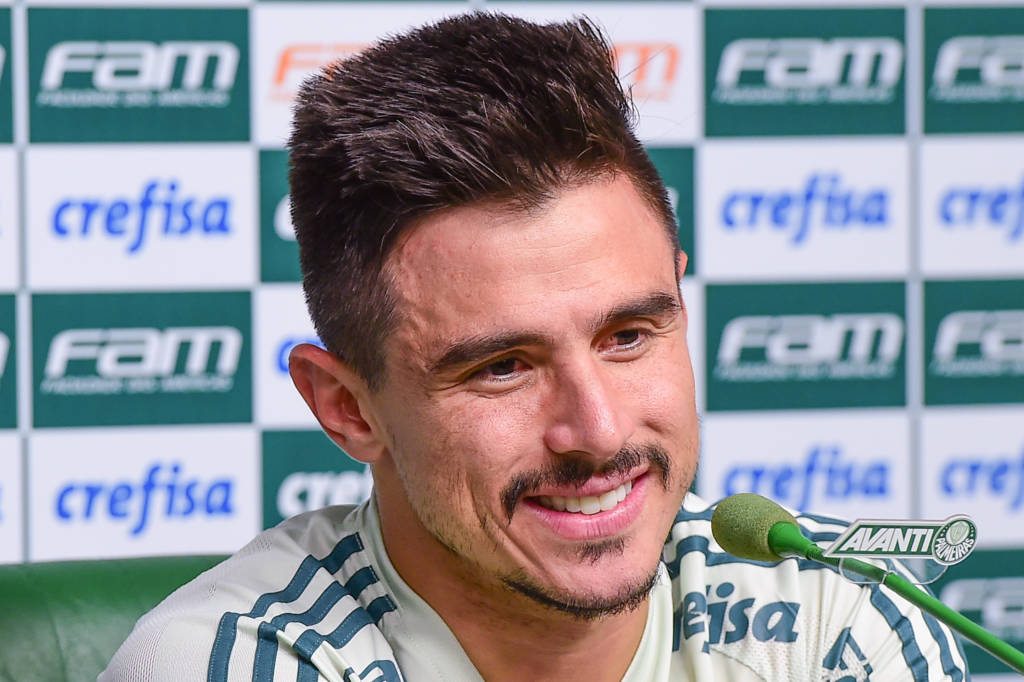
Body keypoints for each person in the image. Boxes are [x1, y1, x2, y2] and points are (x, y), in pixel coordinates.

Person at [103, 13, 967, 681]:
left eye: (627, 336)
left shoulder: (836, 613)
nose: (598, 431)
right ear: (348, 408)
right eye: (502, 367)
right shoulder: (229, 663)